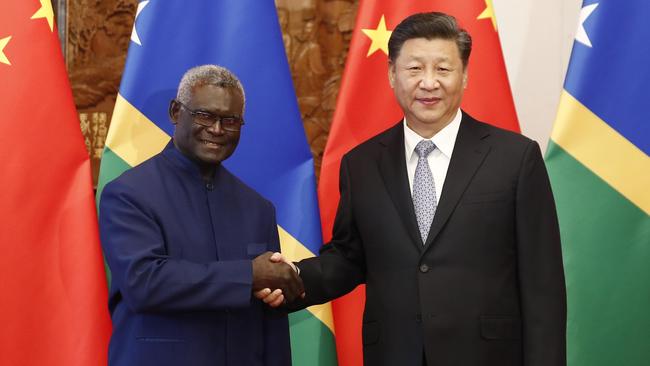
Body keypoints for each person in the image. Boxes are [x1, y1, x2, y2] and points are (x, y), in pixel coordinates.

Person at [260, 12, 566, 366]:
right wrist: (295, 278)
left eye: (443, 69)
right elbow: (348, 258)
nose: (429, 83)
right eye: (415, 69)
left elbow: (543, 285)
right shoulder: (361, 164)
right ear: (392, 74)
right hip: (394, 353)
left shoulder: (515, 157)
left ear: (464, 75)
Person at [99, 65, 302, 366]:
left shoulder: (258, 208)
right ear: (175, 112)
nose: (217, 130)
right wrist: (250, 274)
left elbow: (270, 320)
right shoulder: (129, 194)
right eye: (205, 115)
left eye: (230, 121)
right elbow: (144, 283)